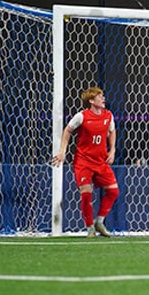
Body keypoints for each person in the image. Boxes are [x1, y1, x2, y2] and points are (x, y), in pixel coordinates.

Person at [51, 87, 120, 238]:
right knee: (86, 195)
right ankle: (90, 229)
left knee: (114, 191)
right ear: (91, 101)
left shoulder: (108, 115)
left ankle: (99, 221)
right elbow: (68, 130)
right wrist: (62, 151)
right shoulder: (81, 116)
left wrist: (112, 149)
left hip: (101, 161)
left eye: (103, 95)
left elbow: (112, 131)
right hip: (83, 162)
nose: (103, 98)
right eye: (99, 96)